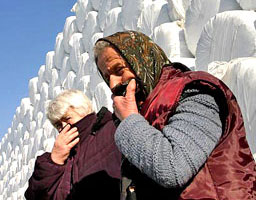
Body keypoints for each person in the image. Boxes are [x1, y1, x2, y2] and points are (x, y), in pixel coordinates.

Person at [94, 31, 256, 200]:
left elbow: (173, 168)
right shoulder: (143, 111)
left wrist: (129, 120)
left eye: (119, 70)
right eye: (107, 77)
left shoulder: (194, 92)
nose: (113, 84)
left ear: (142, 60)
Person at [25, 89, 122, 200]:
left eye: (67, 119)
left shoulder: (112, 130)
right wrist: (54, 161)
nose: (63, 127)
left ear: (84, 111)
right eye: (58, 125)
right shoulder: (62, 158)